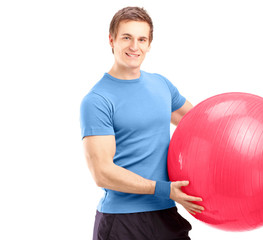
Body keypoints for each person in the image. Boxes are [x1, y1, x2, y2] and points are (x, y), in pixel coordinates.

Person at [80, 7, 204, 240]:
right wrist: (163, 189)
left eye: (141, 39)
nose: (134, 46)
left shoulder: (161, 85)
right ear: (112, 40)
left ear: (149, 44)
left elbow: (200, 125)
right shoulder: (97, 100)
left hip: (166, 213)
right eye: (126, 37)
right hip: (122, 221)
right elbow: (102, 173)